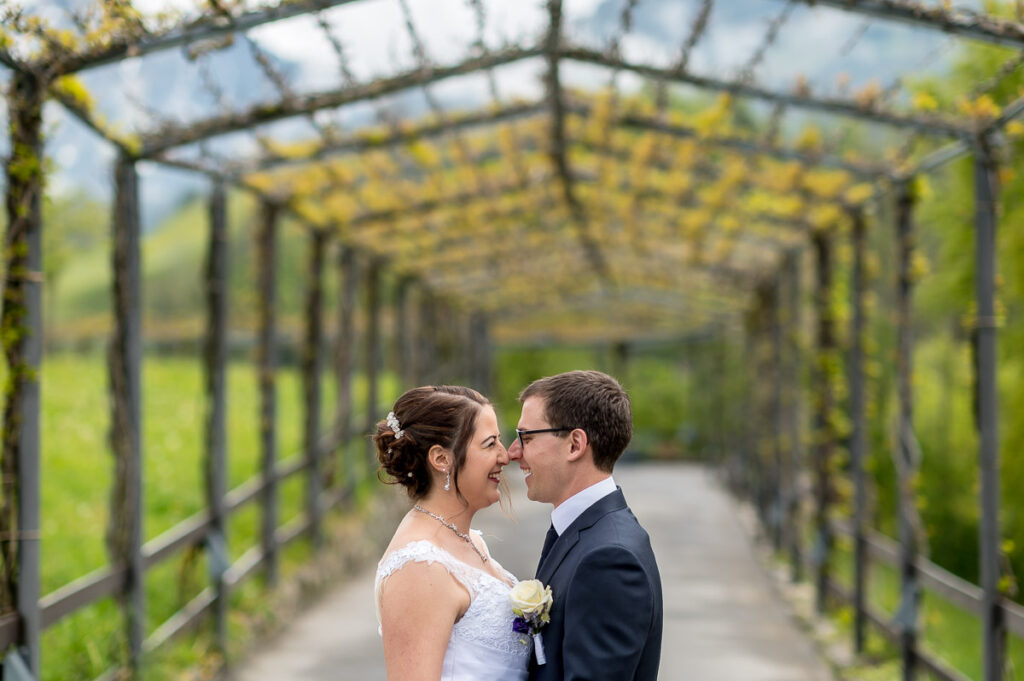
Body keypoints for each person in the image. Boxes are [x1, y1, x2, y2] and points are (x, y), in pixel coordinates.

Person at [508, 370, 663, 681]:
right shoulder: (589, 533)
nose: (513, 452)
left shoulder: (609, 559)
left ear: (575, 444)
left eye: (527, 437)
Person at [374, 385, 530, 681]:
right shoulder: (419, 566)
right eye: (489, 444)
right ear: (441, 459)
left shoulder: (471, 540)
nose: (504, 456)